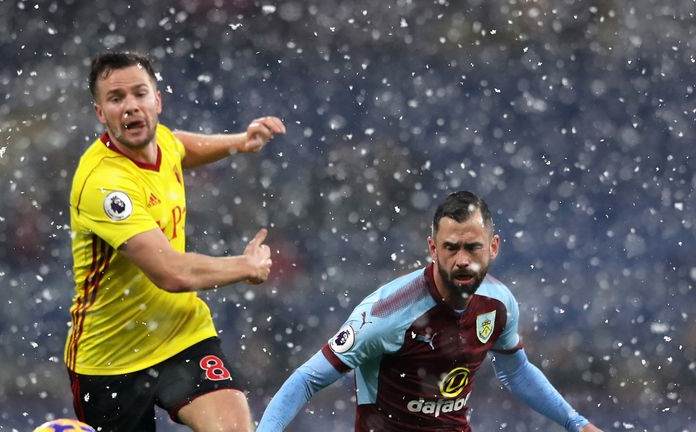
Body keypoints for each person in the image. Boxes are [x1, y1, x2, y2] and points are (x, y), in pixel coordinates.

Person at [64, 51, 285, 432]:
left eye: (139, 94)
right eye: (116, 99)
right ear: (100, 113)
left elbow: (178, 146)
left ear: (157, 100)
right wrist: (245, 266)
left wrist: (241, 142)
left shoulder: (161, 142)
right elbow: (169, 272)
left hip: (182, 335)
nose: (131, 107)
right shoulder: (103, 183)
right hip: (109, 360)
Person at [257, 191, 603, 432]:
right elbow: (306, 380)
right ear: (433, 248)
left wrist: (577, 423)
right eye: (451, 248)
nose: (462, 260)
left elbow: (516, 372)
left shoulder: (498, 304)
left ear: (493, 248)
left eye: (473, 247)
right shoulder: (386, 313)